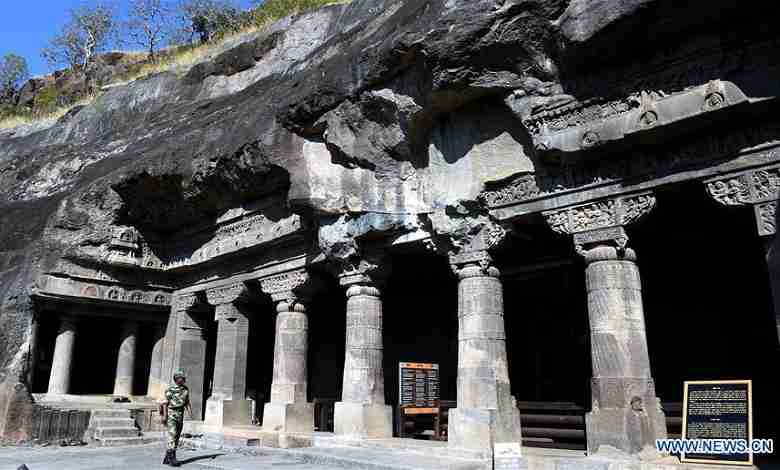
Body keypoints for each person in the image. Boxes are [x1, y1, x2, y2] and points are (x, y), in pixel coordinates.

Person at [160, 370, 192, 467]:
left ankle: (167, 457)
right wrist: (165, 416)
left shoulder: (185, 389)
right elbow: (165, 403)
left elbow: (187, 401)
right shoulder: (170, 390)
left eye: (183, 377)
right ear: (176, 379)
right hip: (171, 414)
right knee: (172, 434)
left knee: (177, 435)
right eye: (180, 377)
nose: (182, 379)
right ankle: (172, 458)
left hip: (180, 414)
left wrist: (190, 411)